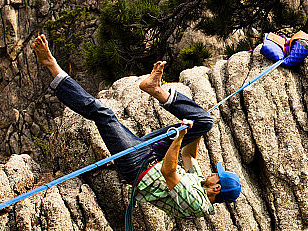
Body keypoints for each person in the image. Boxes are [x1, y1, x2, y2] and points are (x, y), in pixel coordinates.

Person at [31, 34, 241, 219]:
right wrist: (195, 129)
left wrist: (179, 137)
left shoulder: (197, 203)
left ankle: (51, 64)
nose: (212, 172)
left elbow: (169, 172)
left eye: (216, 174)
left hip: (138, 167)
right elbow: (189, 157)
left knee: (103, 114)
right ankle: (155, 89)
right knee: (205, 122)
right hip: (153, 155)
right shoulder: (201, 184)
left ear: (217, 187)